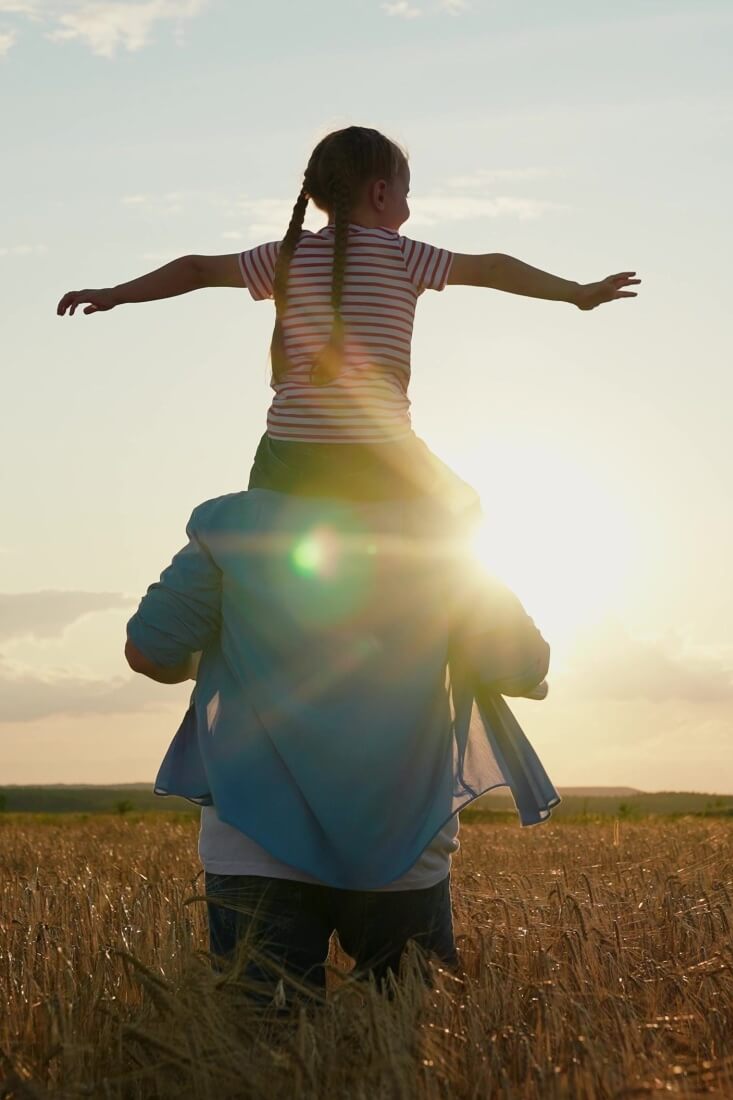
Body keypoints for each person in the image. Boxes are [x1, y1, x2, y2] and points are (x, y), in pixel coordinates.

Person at [56, 125, 640, 512]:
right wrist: (575, 293)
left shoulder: (284, 257)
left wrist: (114, 294)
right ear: (382, 193)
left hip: (290, 452)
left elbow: (192, 269)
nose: (411, 204)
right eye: (408, 190)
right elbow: (492, 268)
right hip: (379, 448)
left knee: (253, 541)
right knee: (463, 514)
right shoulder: (405, 255)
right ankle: (472, 644)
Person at [124, 486, 555, 999]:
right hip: (402, 833)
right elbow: (522, 664)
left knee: (259, 1052)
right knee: (403, 1053)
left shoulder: (229, 525)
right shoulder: (438, 529)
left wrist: (219, 659)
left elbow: (148, 652)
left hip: (252, 838)